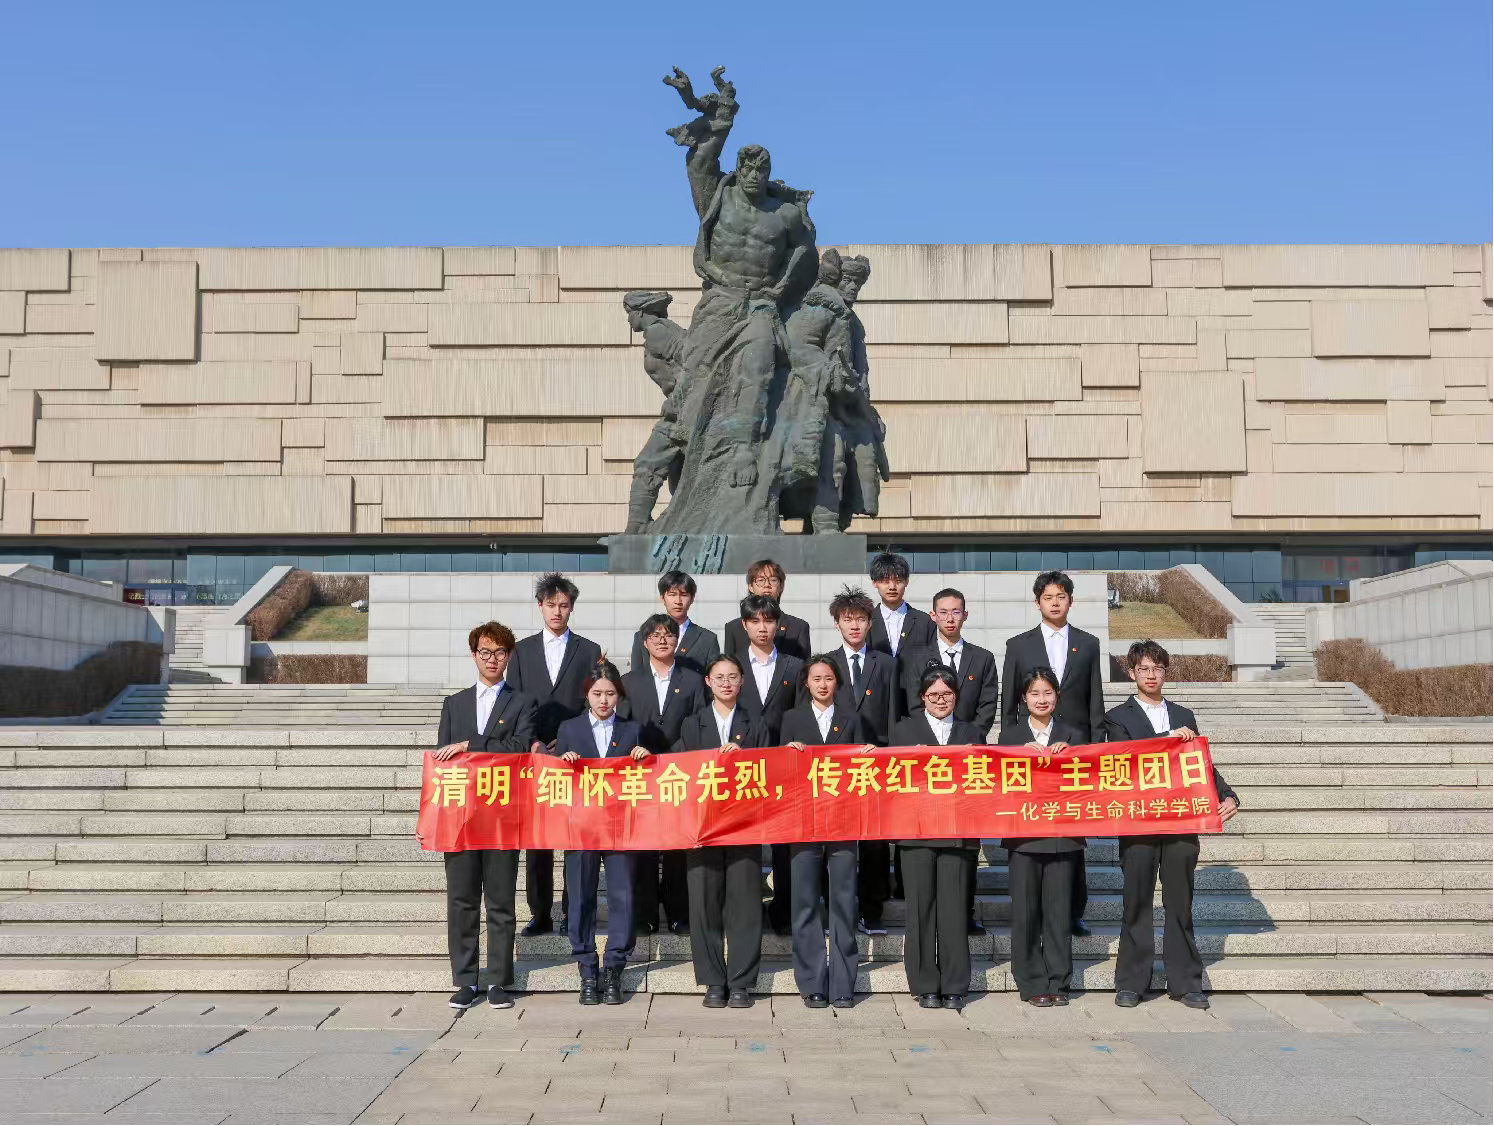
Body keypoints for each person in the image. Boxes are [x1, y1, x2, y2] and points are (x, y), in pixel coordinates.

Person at [1104, 640, 1241, 1011]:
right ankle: (1131, 982)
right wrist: (1167, 740)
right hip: (1139, 821)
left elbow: (1200, 762)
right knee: (1137, 903)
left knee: (1180, 903)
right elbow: (1124, 758)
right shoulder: (1117, 716)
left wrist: (1227, 794)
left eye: (1158, 668)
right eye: (1144, 669)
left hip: (1181, 819)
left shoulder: (1183, 714)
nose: (1151, 675)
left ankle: (1185, 982)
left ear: (1166, 672)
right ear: (1131, 673)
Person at [433, 621, 538, 1010]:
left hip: (502, 817)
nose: (492, 659)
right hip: (461, 817)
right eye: (485, 652)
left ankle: (497, 980)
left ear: (509, 656)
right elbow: (444, 759)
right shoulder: (455, 704)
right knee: (461, 901)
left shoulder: (522, 702)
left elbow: (519, 747)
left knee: (500, 901)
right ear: (474, 654)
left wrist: (471, 744)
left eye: (500, 652)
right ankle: (465, 980)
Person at [1000, 570, 1104, 938]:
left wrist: (1093, 752)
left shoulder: (1088, 644)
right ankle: (1032, 908)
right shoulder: (1019, 645)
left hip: (1072, 753)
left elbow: (1095, 702)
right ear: (1038, 603)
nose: (1055, 602)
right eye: (1048, 597)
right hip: (1030, 754)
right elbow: (1008, 705)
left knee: (1072, 836)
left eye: (1061, 596)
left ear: (1070, 601)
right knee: (1033, 832)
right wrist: (1012, 748)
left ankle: (1074, 911)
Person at [898, 586, 1001, 934]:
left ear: (965, 615)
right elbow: (913, 703)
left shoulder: (982, 658)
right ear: (933, 616)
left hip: (965, 763)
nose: (950, 618)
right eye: (943, 612)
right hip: (924, 766)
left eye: (956, 611)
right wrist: (930, 744)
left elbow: (987, 705)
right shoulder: (915, 657)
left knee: (964, 843)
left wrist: (967, 740)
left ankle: (964, 911)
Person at [506, 574, 602, 939]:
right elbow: (515, 702)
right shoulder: (521, 651)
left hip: (575, 756)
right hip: (533, 758)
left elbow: (592, 702)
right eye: (551, 605)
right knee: (538, 840)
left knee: (574, 838)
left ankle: (571, 912)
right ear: (540, 607)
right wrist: (532, 743)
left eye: (563, 605)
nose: (557, 611)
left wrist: (567, 741)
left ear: (572, 608)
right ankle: (540, 913)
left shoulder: (589, 650)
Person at [549, 661, 648, 1006]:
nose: (604, 700)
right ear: (587, 695)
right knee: (580, 897)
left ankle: (615, 967)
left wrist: (644, 758)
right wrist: (563, 760)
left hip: (621, 827)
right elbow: (555, 777)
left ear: (619, 696)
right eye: (597, 694)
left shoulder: (632, 729)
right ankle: (588, 970)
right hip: (581, 827)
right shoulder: (570, 728)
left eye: (610, 694)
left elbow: (647, 778)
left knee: (623, 896)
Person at [674, 654, 769, 1009]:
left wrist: (744, 759)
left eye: (732, 677)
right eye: (719, 677)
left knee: (745, 904)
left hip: (744, 825)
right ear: (708, 682)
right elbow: (680, 769)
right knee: (704, 903)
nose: (726, 683)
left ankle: (741, 981)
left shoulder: (755, 723)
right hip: (703, 826)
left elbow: (768, 770)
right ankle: (713, 979)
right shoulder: (691, 724)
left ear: (742, 681)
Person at [890, 663, 986, 1011]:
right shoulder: (903, 731)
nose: (940, 700)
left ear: (956, 696)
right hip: (916, 833)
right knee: (920, 910)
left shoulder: (971, 732)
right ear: (922, 697)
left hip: (958, 833)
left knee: (953, 910)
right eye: (933, 695)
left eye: (947, 694)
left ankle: (955, 984)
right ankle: (925, 984)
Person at [782, 655, 875, 1008]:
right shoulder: (792, 719)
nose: (823, 684)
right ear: (806, 683)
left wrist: (869, 754)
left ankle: (842, 983)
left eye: (829, 678)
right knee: (805, 902)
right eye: (816, 678)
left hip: (843, 820)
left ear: (837, 682)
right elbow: (779, 771)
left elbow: (864, 769)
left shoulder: (852, 718)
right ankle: (812, 982)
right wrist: (786, 753)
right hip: (803, 822)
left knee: (843, 902)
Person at [996, 669, 1087, 1008]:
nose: (1042, 699)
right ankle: (1032, 981)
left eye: (1048, 692)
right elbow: (996, 783)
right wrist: (1018, 755)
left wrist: (1072, 756)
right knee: (1026, 913)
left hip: (1064, 835)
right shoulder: (1010, 736)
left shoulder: (1074, 734)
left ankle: (1059, 981)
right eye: (1034, 693)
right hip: (1023, 837)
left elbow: (1090, 780)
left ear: (1057, 696)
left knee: (1058, 913)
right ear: (1024, 698)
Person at [620, 613, 706, 937]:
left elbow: (699, 723)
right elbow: (622, 725)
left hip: (678, 772)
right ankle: (644, 914)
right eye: (655, 635)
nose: (662, 640)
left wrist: (672, 754)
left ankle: (678, 913)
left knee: (676, 847)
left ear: (677, 640)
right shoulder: (630, 681)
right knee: (642, 846)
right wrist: (636, 751)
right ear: (645, 642)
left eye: (668, 635)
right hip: (640, 773)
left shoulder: (693, 680)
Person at [822, 585, 900, 936]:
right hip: (835, 766)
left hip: (875, 763)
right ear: (837, 623)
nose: (854, 625)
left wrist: (888, 755)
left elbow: (893, 715)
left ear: (871, 623)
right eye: (847, 619)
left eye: (860, 619)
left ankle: (872, 909)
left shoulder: (886, 663)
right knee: (835, 841)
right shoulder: (826, 664)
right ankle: (835, 909)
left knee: (874, 841)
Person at [731, 593, 806, 935]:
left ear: (778, 624)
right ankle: (743, 912)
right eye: (755, 621)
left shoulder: (794, 666)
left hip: (784, 766)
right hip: (742, 765)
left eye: (769, 620)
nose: (762, 627)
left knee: (784, 843)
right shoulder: (731, 666)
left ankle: (783, 913)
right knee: (742, 843)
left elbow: (800, 713)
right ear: (744, 625)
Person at [629, 570, 721, 676]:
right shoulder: (642, 636)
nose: (678, 601)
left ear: (692, 598)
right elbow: (635, 677)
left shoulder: (707, 639)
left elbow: (714, 679)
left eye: (684, 595)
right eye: (672, 594)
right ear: (662, 598)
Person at [723, 559, 812, 661]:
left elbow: (805, 667)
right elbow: (730, 666)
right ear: (750, 587)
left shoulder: (798, 627)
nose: (767, 585)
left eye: (773, 580)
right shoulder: (733, 628)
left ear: (781, 586)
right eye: (761, 580)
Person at [866, 551, 936, 669]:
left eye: (898, 581)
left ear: (907, 581)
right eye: (885, 581)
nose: (892, 587)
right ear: (874, 583)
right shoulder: (866, 621)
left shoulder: (925, 621)